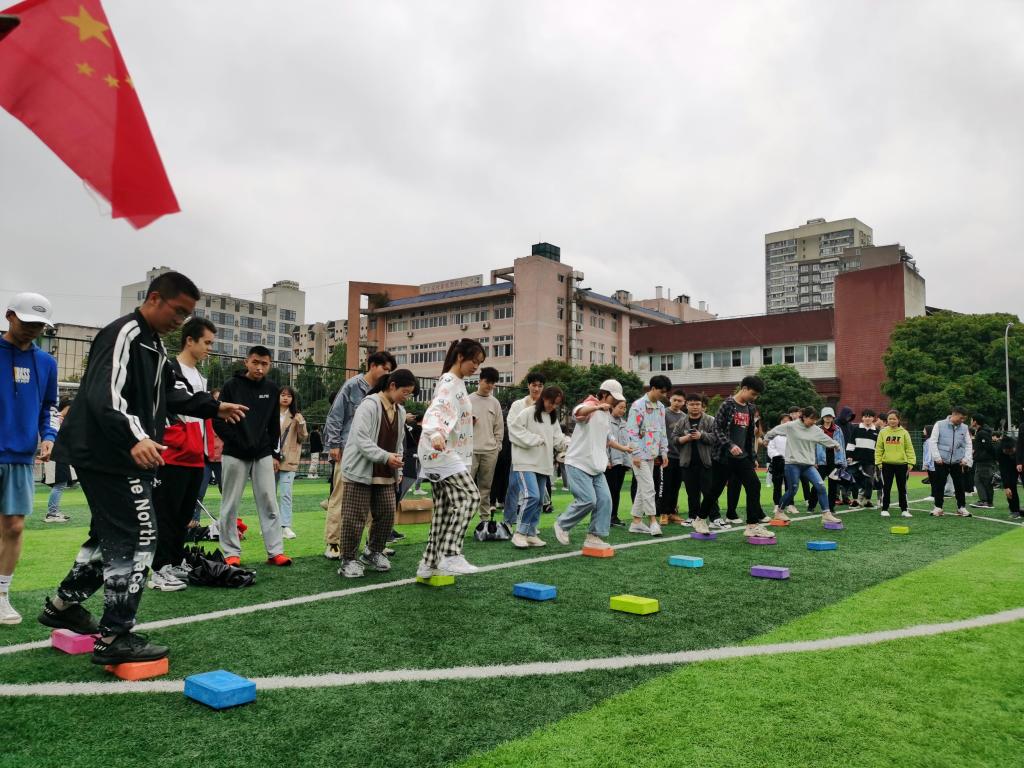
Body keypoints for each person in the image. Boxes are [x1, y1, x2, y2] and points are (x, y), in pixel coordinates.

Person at [39, 272, 247, 664]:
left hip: (120, 453)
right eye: (178, 311)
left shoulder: (154, 345)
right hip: (110, 454)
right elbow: (106, 395)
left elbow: (168, 395)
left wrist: (213, 407)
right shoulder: (125, 334)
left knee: (106, 537)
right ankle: (115, 635)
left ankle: (62, 605)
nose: (181, 321)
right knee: (141, 536)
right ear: (154, 298)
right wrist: (135, 437)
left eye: (188, 314)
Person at [1, 292, 58, 625]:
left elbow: (50, 407)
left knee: (14, 527)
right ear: (9, 316)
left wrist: (49, 437)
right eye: (27, 322)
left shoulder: (46, 362)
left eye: (40, 325)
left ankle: (1, 596)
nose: (33, 330)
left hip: (21, 455)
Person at [149, 316, 218, 592]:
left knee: (184, 515)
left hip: (195, 454)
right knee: (165, 513)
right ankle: (158, 569)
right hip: (172, 454)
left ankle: (175, 561)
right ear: (190, 340)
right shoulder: (168, 369)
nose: (209, 348)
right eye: (206, 342)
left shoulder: (200, 377)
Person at [214, 345, 292, 566]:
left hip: (263, 454)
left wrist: (275, 454)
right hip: (235, 453)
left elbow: (272, 425)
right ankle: (231, 553)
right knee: (230, 503)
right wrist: (237, 441)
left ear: (269, 365)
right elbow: (218, 421)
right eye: (255, 362)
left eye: (264, 364)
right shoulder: (231, 386)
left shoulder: (272, 389)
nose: (259, 368)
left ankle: (275, 551)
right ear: (246, 362)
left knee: (269, 501)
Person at [416, 339, 486, 577]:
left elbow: (451, 411)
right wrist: (436, 431)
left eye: (479, 363)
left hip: (443, 451)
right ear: (460, 357)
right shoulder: (450, 382)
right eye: (473, 361)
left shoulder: (455, 382)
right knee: (471, 497)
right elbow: (438, 408)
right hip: (441, 451)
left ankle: (429, 562)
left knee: (444, 510)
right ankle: (450, 553)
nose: (476, 367)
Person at [338, 369, 416, 577]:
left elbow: (399, 441)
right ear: (392, 386)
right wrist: (385, 457)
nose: (406, 397)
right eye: (405, 392)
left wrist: (396, 464)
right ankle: (348, 559)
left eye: (409, 393)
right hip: (360, 470)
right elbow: (361, 439)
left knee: (387, 513)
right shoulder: (369, 405)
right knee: (355, 516)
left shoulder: (399, 410)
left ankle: (373, 551)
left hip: (385, 471)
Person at [322, 351, 396, 560]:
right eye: (385, 368)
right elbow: (335, 416)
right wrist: (334, 445)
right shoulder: (352, 386)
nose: (387, 373)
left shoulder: (384, 391)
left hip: (374, 451)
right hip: (348, 449)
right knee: (340, 496)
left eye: (390, 370)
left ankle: (373, 544)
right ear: (372, 365)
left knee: (375, 498)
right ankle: (333, 542)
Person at [695, 376, 776, 539]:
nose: (754, 397)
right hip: (724, 456)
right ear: (744, 388)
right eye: (753, 394)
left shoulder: (751, 408)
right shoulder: (727, 404)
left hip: (742, 457)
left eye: (756, 395)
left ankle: (752, 525)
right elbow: (717, 429)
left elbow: (749, 435)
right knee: (716, 489)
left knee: (754, 485)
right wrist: (730, 445)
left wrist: (752, 456)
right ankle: (700, 519)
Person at [553, 380, 630, 550]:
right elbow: (578, 412)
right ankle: (562, 524)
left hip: (596, 467)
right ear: (603, 394)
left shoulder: (606, 413)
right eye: (613, 398)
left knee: (605, 500)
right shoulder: (590, 405)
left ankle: (594, 537)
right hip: (579, 463)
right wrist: (596, 407)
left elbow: (608, 438)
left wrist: (624, 448)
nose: (615, 402)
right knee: (588, 500)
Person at [762, 407, 843, 527]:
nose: (814, 422)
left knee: (820, 486)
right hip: (792, 464)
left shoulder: (815, 429)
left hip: (808, 465)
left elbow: (825, 439)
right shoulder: (791, 426)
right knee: (793, 489)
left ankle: (826, 514)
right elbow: (775, 431)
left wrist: (835, 444)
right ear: (804, 417)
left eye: (816, 420)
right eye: (811, 419)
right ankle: (779, 512)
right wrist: (767, 438)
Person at [508, 386, 567, 548]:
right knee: (532, 496)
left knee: (539, 500)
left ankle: (531, 533)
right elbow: (513, 429)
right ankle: (520, 533)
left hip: (543, 463)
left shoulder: (552, 418)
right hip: (525, 462)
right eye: (551, 402)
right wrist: (533, 439)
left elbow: (558, 439)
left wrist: (569, 444)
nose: (553, 406)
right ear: (544, 398)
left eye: (556, 404)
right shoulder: (528, 412)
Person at [626, 375, 671, 536]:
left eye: (666, 392)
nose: (664, 395)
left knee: (642, 488)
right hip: (639, 455)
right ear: (652, 388)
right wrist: (636, 453)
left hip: (652, 454)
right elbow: (631, 431)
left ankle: (636, 522)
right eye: (662, 391)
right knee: (649, 488)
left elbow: (662, 431)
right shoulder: (637, 406)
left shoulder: (660, 408)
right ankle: (653, 521)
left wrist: (664, 451)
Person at [502, 371, 545, 528]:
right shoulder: (518, 405)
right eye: (534, 385)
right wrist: (531, 439)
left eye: (540, 386)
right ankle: (509, 520)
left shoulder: (546, 406)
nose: (536, 389)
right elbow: (513, 427)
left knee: (538, 494)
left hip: (540, 455)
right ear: (528, 385)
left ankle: (531, 526)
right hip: (520, 453)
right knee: (513, 486)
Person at [671, 391, 716, 526]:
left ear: (702, 406)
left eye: (697, 404)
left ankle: (715, 517)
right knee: (692, 492)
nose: (695, 407)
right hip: (687, 462)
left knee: (709, 491)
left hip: (706, 462)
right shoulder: (681, 422)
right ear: (687, 406)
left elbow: (716, 437)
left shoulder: (710, 420)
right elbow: (673, 439)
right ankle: (693, 516)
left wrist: (701, 436)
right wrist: (685, 438)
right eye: (692, 404)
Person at [469, 366, 504, 523]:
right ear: (479, 381)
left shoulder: (495, 402)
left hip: (490, 451)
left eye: (493, 383)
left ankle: (484, 520)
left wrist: (497, 446)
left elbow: (499, 427)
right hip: (470, 451)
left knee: (486, 488)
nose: (490, 385)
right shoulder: (467, 400)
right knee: (467, 488)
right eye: (487, 382)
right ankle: (464, 519)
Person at [928, 406, 973, 517]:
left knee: (959, 485)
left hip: (957, 462)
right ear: (954, 414)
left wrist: (966, 459)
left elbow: (968, 444)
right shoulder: (939, 424)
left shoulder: (964, 428)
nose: (962, 421)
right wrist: (937, 457)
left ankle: (961, 508)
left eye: (964, 419)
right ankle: (938, 508)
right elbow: (933, 441)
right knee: (939, 485)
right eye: (961, 418)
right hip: (941, 461)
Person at [277, 385, 308, 539]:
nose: (285, 398)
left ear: (293, 399)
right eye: (282, 394)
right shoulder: (270, 413)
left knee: (286, 494)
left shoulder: (297, 416)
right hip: (270, 459)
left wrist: (301, 424)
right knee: (268, 495)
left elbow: (303, 438)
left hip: (288, 460)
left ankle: (285, 526)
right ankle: (271, 525)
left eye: (289, 396)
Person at [874, 409, 916, 518]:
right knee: (886, 487)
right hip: (886, 464)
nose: (892, 421)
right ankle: (885, 509)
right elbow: (879, 448)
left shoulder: (904, 433)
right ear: (887, 420)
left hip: (902, 465)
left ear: (898, 420)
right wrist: (879, 462)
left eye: (894, 419)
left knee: (902, 488)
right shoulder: (883, 432)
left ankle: (904, 509)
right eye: (890, 419)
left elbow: (909, 448)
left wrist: (911, 462)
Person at [657, 390, 687, 525]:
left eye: (680, 401)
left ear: (684, 402)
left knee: (676, 486)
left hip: (680, 457)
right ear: (670, 399)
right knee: (665, 485)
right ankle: (663, 513)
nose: (677, 403)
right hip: (666, 456)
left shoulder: (685, 417)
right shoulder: (663, 413)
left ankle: (672, 513)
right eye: (674, 400)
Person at [43, 397, 74, 524]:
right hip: (56, 456)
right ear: (65, 407)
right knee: (60, 484)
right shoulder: (57, 419)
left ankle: (53, 511)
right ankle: (52, 513)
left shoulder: (62, 419)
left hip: (60, 455)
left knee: (61, 484)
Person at [808, 407, 843, 512]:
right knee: (817, 483)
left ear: (833, 417)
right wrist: (812, 461)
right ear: (822, 417)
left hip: (835, 459)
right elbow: (811, 445)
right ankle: (811, 506)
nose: (828, 418)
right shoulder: (816, 428)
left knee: (833, 485)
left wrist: (842, 461)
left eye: (830, 416)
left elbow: (841, 445)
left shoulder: (838, 429)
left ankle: (831, 507)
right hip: (820, 460)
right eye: (826, 416)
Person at [605, 398, 632, 527]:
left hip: (622, 462)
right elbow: (605, 442)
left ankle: (614, 516)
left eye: (624, 408)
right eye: (620, 407)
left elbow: (627, 442)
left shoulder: (625, 423)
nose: (622, 410)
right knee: (609, 490)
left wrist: (628, 461)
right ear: (612, 407)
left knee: (617, 490)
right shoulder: (606, 422)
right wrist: (607, 459)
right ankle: (607, 517)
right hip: (610, 463)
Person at [848, 409, 879, 508]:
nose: (867, 418)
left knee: (869, 481)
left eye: (870, 416)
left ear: (873, 418)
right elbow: (851, 443)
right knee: (855, 481)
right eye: (865, 416)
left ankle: (867, 500)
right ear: (862, 418)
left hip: (870, 461)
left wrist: (877, 459)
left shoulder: (877, 432)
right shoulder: (856, 429)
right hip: (856, 460)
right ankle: (856, 500)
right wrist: (849, 456)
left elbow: (878, 447)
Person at [969, 415, 997, 510]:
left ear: (975, 422)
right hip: (983, 461)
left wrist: (981, 455)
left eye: (972, 420)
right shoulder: (982, 431)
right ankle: (986, 501)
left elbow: (988, 446)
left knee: (984, 481)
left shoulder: (982, 433)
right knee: (979, 480)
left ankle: (986, 501)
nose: (971, 421)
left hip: (984, 461)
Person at [766, 413, 790, 516]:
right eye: (783, 421)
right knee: (777, 485)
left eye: (788, 421)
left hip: (790, 463)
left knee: (790, 485)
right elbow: (770, 448)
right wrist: (778, 456)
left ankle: (788, 505)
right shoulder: (774, 433)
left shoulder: (793, 434)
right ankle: (777, 504)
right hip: (777, 462)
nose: (785, 423)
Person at [998, 437, 1020, 519]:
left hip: (1021, 463)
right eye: (1007, 452)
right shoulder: (1000, 452)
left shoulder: (1020, 447)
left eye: (1011, 451)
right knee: (1011, 487)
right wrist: (1006, 486)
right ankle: (1014, 510)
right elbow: (1003, 470)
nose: (1010, 453)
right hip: (1009, 467)